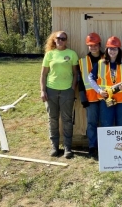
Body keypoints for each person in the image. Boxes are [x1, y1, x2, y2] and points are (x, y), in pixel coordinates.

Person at [40, 31, 78, 159]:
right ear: (54, 39)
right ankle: (54, 146)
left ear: (66, 40)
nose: (61, 40)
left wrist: (72, 87)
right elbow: (43, 74)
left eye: (63, 38)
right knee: (53, 119)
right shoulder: (49, 54)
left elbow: (75, 73)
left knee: (67, 119)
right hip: (51, 90)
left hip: (67, 90)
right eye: (58, 38)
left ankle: (68, 148)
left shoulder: (72, 54)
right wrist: (43, 90)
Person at [88, 36, 122, 127]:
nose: (112, 51)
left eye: (115, 49)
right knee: (106, 125)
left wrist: (113, 89)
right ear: (106, 49)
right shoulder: (101, 63)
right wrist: (99, 91)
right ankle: (107, 142)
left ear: (119, 50)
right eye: (110, 49)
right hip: (106, 99)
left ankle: (119, 142)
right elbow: (90, 78)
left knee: (121, 125)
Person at [78, 32, 104, 157]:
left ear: (99, 45)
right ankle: (92, 146)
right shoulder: (82, 61)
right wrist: (83, 98)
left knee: (105, 122)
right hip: (91, 98)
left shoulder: (108, 58)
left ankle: (105, 145)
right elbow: (80, 81)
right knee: (92, 123)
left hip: (106, 97)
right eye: (90, 45)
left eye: (95, 45)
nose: (93, 47)